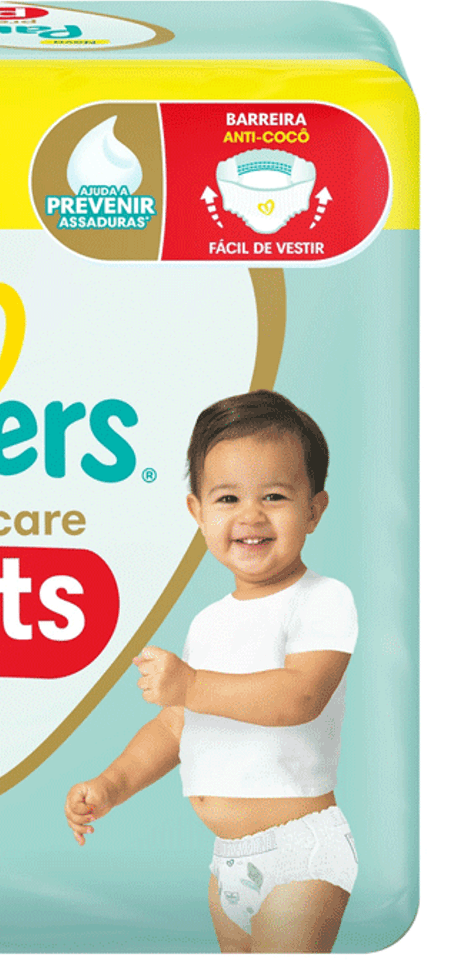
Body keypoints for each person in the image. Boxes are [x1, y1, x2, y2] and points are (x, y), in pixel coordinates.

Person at [64, 390, 358, 953]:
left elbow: (300, 697)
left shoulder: (323, 599)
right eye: (227, 498)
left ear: (314, 510)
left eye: (274, 496)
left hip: (300, 852)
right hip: (228, 863)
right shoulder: (209, 622)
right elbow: (177, 726)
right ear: (198, 512)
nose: (250, 515)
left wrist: (192, 685)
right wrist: (111, 785)